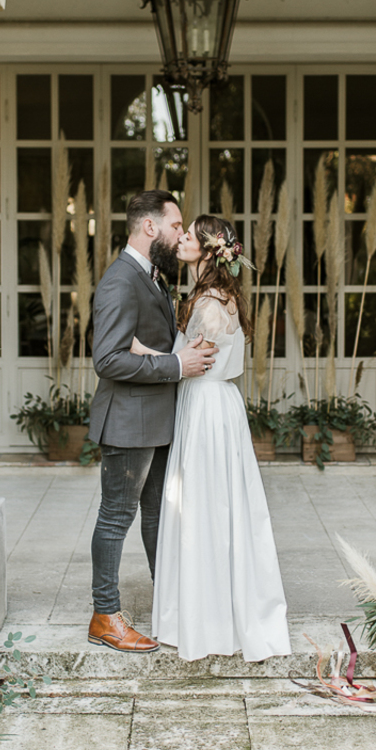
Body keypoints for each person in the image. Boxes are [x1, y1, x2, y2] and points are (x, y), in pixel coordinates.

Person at [144, 215, 291, 662]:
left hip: (206, 408)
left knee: (205, 508)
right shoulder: (213, 296)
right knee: (216, 507)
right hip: (212, 405)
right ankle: (210, 609)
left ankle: (207, 619)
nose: (181, 239)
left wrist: (140, 351)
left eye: (188, 235)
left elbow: (194, 360)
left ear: (208, 251)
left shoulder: (208, 304)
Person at [87, 190, 218, 653]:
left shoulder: (153, 276)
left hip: (156, 421)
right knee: (115, 518)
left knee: (159, 517)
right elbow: (108, 359)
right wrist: (177, 366)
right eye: (176, 225)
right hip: (127, 422)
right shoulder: (121, 280)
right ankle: (105, 615)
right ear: (149, 227)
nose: (182, 234)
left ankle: (170, 604)